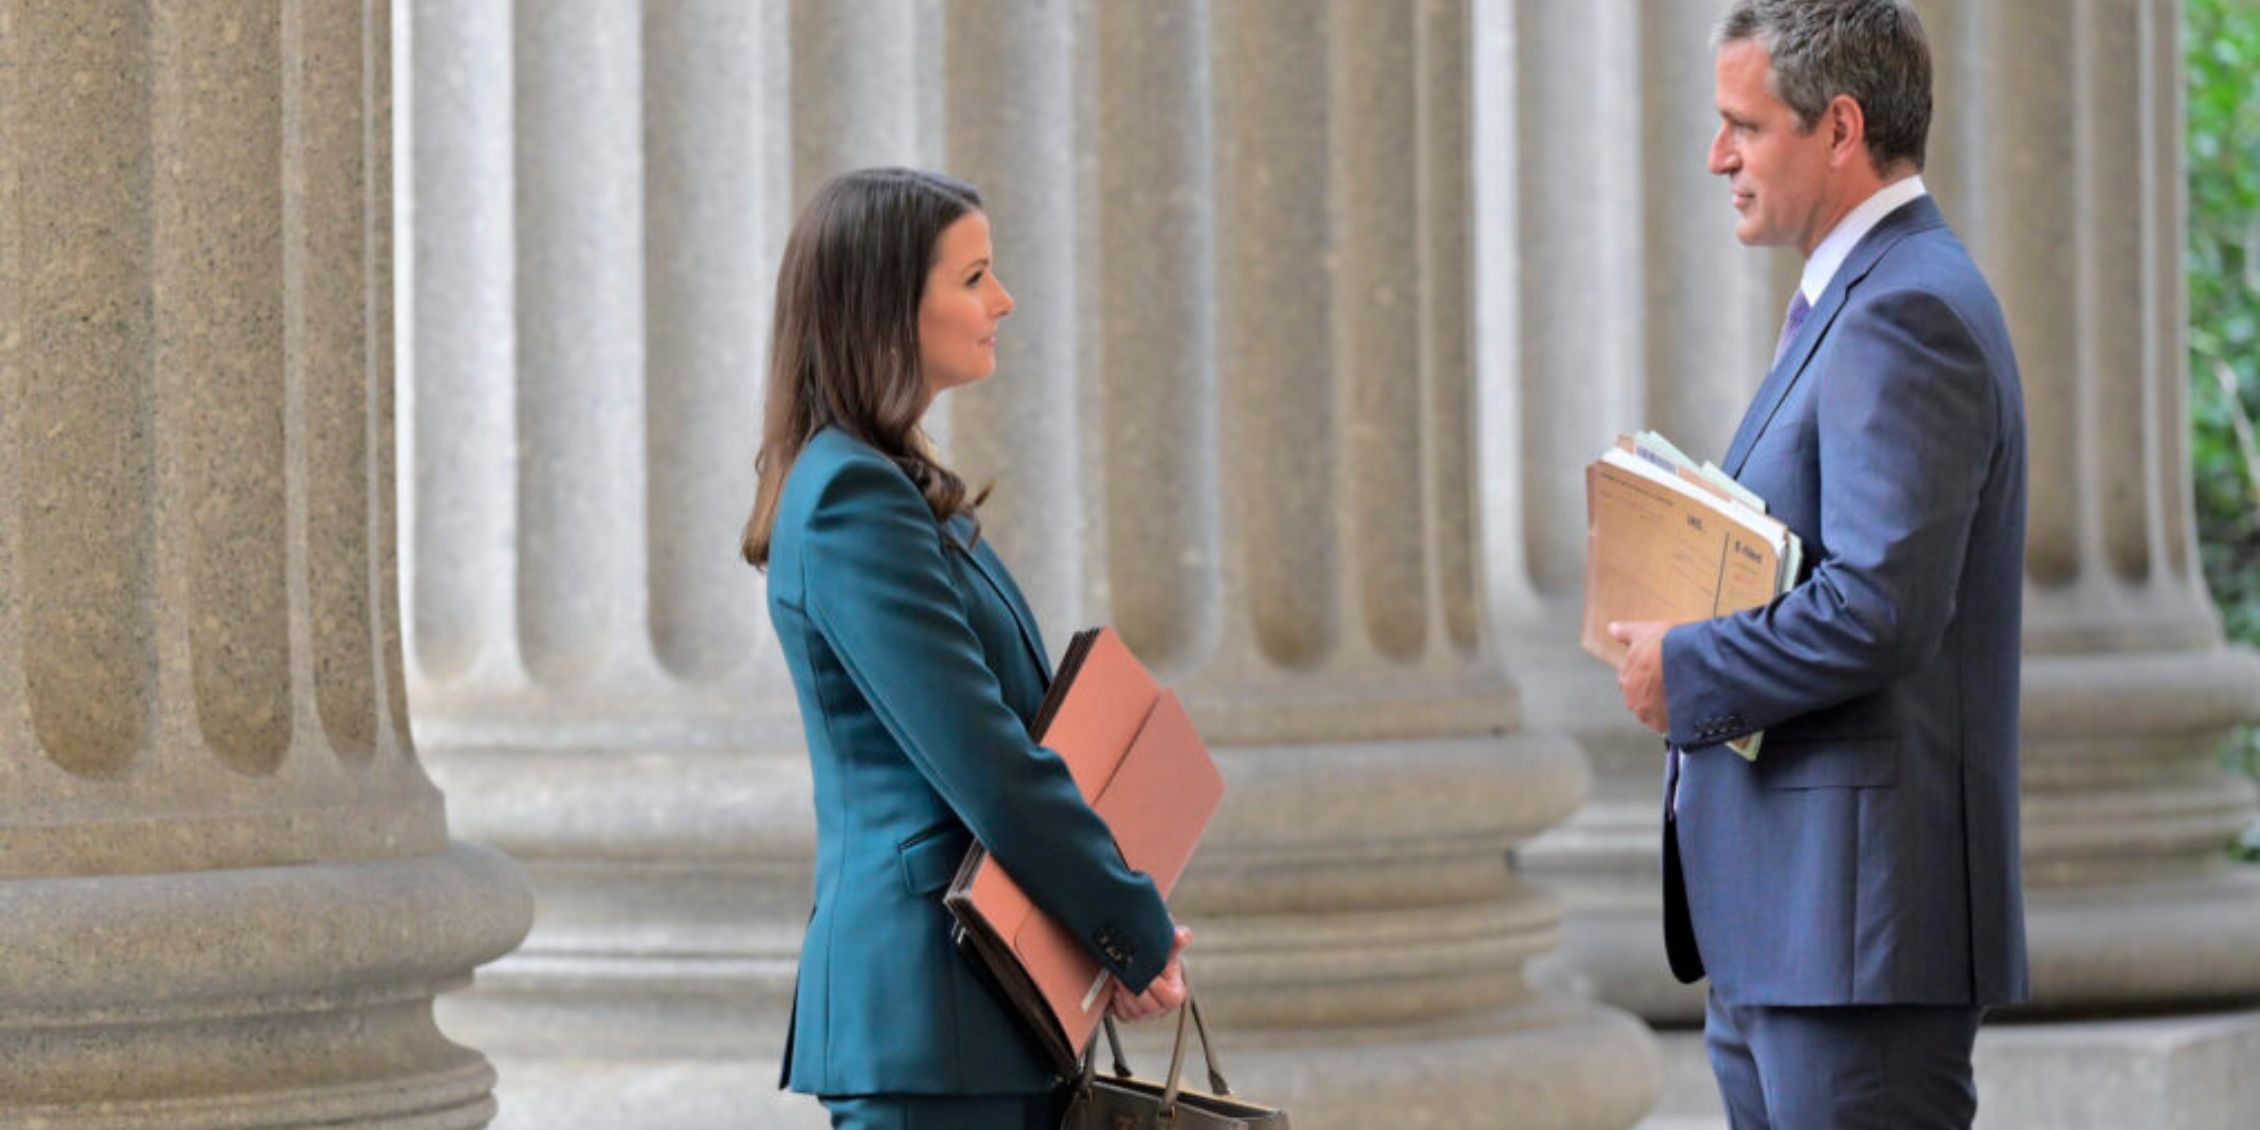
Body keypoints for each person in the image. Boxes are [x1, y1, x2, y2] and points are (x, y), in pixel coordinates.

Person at [1606, 2, 2029, 1126]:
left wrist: (1686, 667)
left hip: (1855, 944)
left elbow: (1881, 604)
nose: (1717, 157)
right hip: (1793, 934)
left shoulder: (1906, 311)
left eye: (1743, 125)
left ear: (1838, 128)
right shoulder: (1863, 298)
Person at [743, 167, 1189, 1130]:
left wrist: (1104, 928)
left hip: (979, 1014)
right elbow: (986, 762)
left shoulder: (885, 486)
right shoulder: (852, 502)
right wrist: (1128, 924)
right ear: (887, 307)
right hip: (929, 1019)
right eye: (974, 276)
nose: (1003, 300)